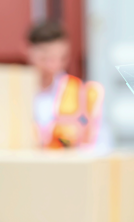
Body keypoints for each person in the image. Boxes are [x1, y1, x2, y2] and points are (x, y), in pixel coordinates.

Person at [25, 20, 109, 152]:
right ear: (28, 51)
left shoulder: (84, 94)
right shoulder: (13, 95)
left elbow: (102, 145)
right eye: (45, 58)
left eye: (61, 58)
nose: (54, 66)